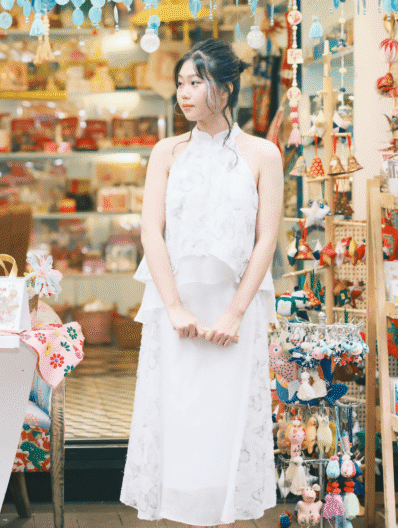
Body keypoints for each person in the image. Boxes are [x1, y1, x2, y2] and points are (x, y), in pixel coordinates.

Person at [120, 39, 283, 527]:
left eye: (196, 82)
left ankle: (225, 516)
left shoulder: (262, 153)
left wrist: (233, 313)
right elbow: (151, 231)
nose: (184, 94)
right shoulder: (166, 152)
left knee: (226, 421)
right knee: (179, 418)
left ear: (227, 88)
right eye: (181, 84)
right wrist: (174, 308)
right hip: (177, 306)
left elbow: (266, 240)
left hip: (235, 308)